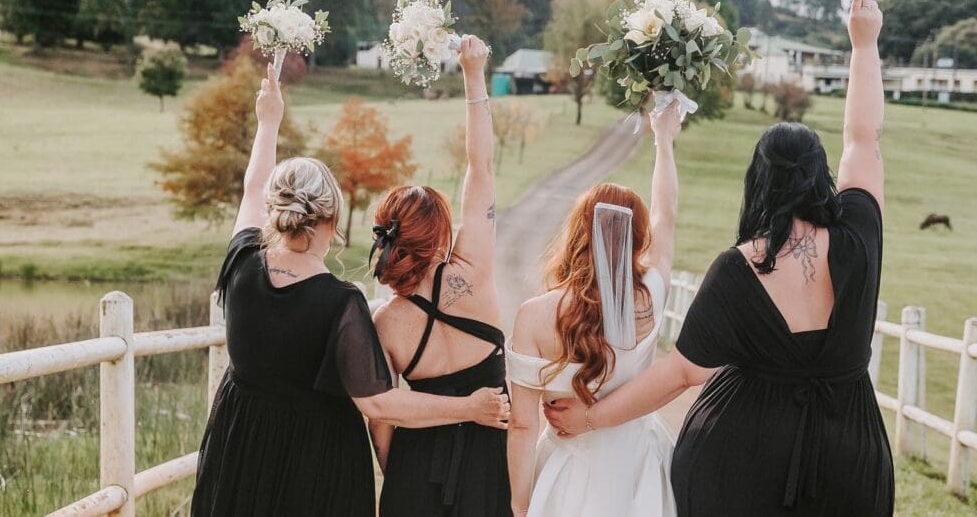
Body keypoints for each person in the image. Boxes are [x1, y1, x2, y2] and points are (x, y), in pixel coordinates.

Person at [544, 0, 892, 516]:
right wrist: (864, 44)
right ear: (821, 176)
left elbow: (678, 374)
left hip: (744, 459)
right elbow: (862, 139)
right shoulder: (859, 233)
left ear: (757, 181)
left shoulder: (737, 269)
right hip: (852, 452)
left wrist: (590, 419)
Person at [191, 64, 510, 516]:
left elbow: (251, 190)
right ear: (332, 219)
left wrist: (268, 123)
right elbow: (376, 401)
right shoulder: (341, 303)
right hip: (315, 464)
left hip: (240, 446)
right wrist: (471, 408)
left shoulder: (242, 262)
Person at [506, 102, 682, 517]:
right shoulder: (652, 293)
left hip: (569, 471)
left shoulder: (534, 315)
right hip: (640, 466)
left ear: (576, 233)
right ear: (640, 238)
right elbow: (667, 214)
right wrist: (664, 140)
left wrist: (520, 503)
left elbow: (523, 425)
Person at [370, 35, 511, 516]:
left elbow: (382, 420)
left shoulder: (384, 323)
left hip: (414, 468)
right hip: (489, 465)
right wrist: (473, 74)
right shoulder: (474, 269)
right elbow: (481, 165)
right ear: (441, 231)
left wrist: (399, 473)